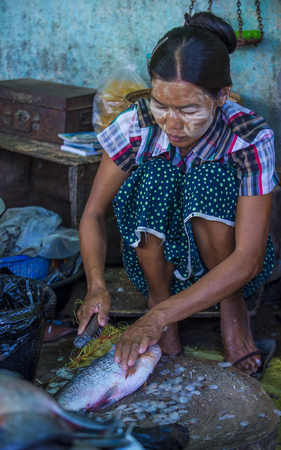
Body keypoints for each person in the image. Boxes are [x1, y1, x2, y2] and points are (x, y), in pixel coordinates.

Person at [77, 12, 279, 376]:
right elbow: (93, 214)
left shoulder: (249, 136)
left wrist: (153, 320)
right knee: (155, 173)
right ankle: (160, 296)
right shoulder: (136, 124)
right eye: (161, 104)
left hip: (234, 270)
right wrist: (96, 286)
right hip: (157, 270)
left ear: (222, 96)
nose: (172, 123)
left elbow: (248, 257)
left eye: (188, 109)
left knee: (208, 178)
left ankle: (231, 309)